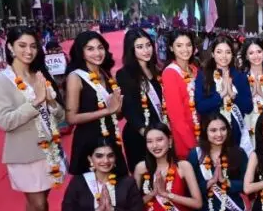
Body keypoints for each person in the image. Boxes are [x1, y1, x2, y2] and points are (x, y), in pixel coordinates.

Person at [0, 26, 68, 211]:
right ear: (10, 47)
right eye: (22, 45)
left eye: (32, 46)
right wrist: (35, 104)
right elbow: (4, 121)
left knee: (36, 205)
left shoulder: (40, 76)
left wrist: (53, 104)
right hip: (23, 154)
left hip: (49, 149)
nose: (28, 51)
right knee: (40, 209)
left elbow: (60, 116)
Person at [65, 31, 128, 176]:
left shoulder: (106, 74)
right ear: (81, 52)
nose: (97, 53)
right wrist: (107, 111)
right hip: (88, 140)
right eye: (90, 49)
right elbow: (71, 118)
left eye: (100, 48)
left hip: (111, 138)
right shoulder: (76, 77)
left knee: (117, 187)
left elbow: (117, 115)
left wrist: (119, 108)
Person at [194, 35, 253, 154]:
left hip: (235, 134)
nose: (224, 56)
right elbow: (200, 107)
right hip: (212, 134)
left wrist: (232, 94)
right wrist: (221, 94)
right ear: (212, 54)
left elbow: (248, 107)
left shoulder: (240, 76)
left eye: (228, 52)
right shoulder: (204, 76)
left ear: (233, 54)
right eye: (219, 52)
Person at [116, 28, 165, 169]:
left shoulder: (157, 70)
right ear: (131, 50)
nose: (146, 50)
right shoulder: (124, 74)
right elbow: (128, 109)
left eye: (148, 45)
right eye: (140, 47)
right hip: (139, 135)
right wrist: (146, 133)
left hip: (160, 132)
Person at [161, 30, 200, 159]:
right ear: (171, 48)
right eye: (179, 45)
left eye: (188, 45)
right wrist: (193, 146)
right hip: (185, 140)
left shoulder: (195, 69)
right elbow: (177, 118)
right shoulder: (170, 73)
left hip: (202, 133)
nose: (185, 49)